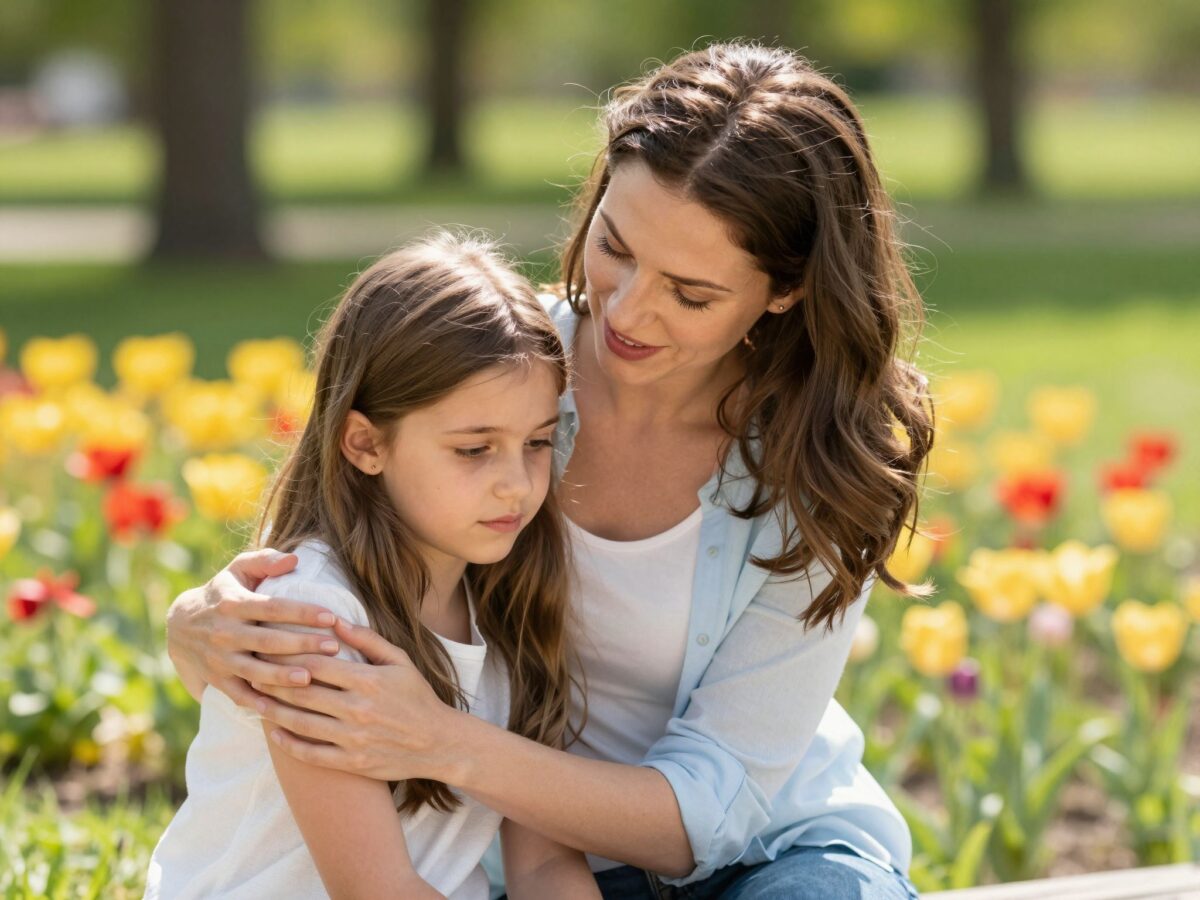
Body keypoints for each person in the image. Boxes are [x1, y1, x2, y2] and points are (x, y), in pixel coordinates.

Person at [165, 43, 933, 899]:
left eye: (691, 293)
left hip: (765, 850)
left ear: (784, 291)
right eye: (616, 245)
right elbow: (319, 580)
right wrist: (194, 627)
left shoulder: (828, 468)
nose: (629, 310)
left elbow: (715, 809)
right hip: (520, 853)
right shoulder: (495, 369)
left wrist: (442, 743)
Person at [145, 233, 601, 899]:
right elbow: (374, 889)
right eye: (474, 450)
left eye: (536, 442)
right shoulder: (311, 617)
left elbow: (544, 866)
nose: (517, 483)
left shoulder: (514, 598)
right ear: (365, 444)